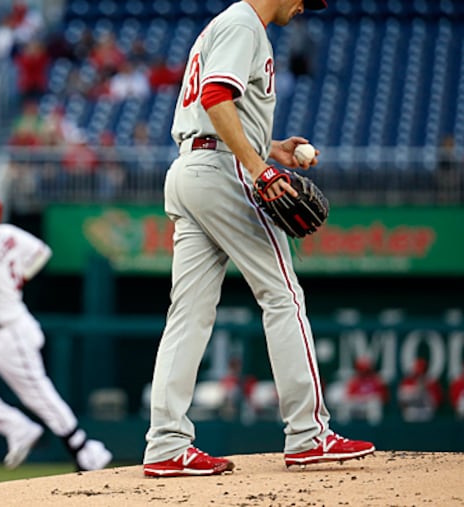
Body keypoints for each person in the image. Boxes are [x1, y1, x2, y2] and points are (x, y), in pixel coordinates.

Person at [142, 0, 375, 478]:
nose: (305, 6)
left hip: (191, 167)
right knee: (283, 295)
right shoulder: (244, 24)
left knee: (187, 313)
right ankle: (309, 435)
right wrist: (259, 168)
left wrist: (271, 147)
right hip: (222, 172)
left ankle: (166, 444)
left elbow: (217, 113)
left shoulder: (226, 24)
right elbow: (214, 99)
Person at [0, 189, 112, 471]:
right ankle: (18, 428)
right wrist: (15, 281)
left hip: (8, 332)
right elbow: (41, 252)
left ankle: (85, 450)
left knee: (38, 395)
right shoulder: (6, 233)